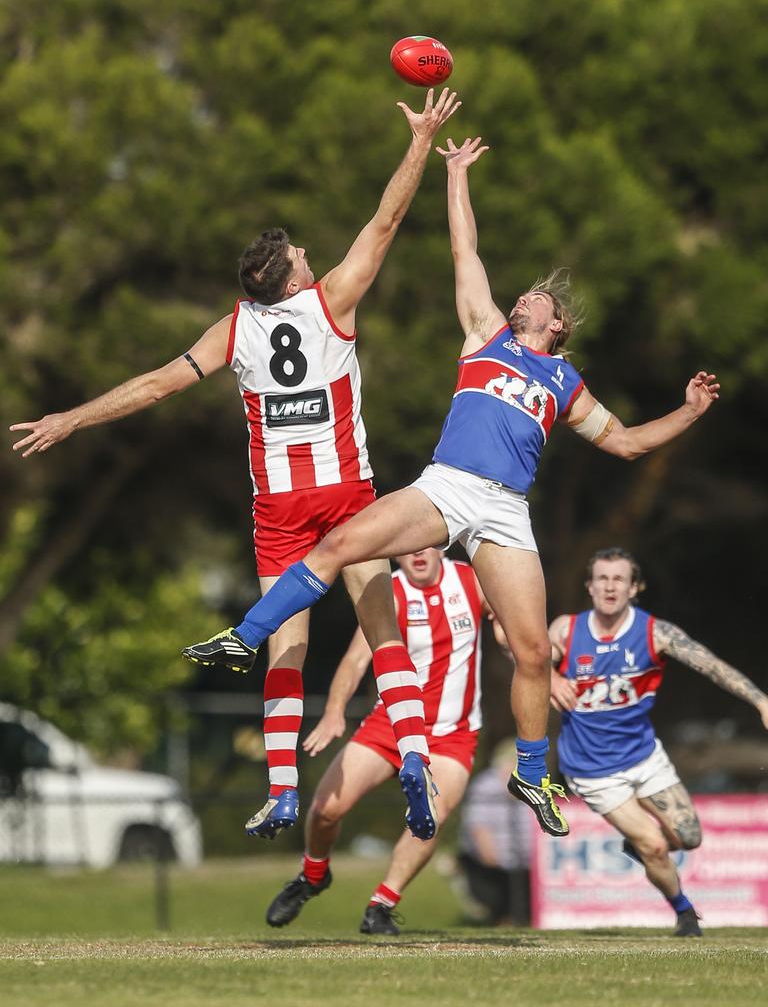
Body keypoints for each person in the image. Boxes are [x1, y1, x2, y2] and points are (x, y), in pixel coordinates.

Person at [184, 135, 720, 841]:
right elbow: (464, 251)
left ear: (556, 327)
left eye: (540, 302)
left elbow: (623, 441)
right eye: (526, 294)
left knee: (531, 652)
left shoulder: (563, 382)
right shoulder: (486, 333)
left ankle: (533, 772)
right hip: (446, 487)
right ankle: (246, 636)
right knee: (343, 542)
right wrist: (456, 174)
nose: (527, 297)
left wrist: (689, 410)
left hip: (505, 512)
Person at [9, 88, 461, 843]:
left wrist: (70, 418)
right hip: (348, 495)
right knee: (384, 630)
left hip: (280, 508)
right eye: (301, 259)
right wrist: (419, 140)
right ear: (291, 280)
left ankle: (283, 788)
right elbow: (385, 220)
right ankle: (414, 754)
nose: (311, 258)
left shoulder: (236, 329)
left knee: (288, 646)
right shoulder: (333, 302)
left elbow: (154, 385)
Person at [265, 547, 501, 935]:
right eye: (408, 549)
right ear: (396, 554)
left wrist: (519, 647)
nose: (419, 553)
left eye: (426, 544)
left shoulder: (470, 579)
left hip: (451, 735)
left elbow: (507, 617)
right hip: (389, 726)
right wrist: (334, 711)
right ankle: (312, 875)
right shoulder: (388, 592)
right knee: (324, 809)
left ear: (441, 545)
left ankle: (382, 905)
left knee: (429, 818)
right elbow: (357, 660)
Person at [549, 546, 768, 937]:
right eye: (602, 578)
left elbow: (711, 665)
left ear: (635, 588)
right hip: (591, 768)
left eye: (619, 579)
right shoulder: (566, 630)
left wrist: (759, 700)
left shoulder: (655, 632)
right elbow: (527, 657)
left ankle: (641, 848)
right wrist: (549, 678)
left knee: (689, 836)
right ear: (590, 586)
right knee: (653, 845)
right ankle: (684, 913)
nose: (610, 586)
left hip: (644, 756)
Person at [456, 739, 533, 926]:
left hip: (528, 863)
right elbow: (479, 830)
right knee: (502, 892)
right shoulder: (485, 786)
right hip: (494, 865)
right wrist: (495, 863)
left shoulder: (536, 786)